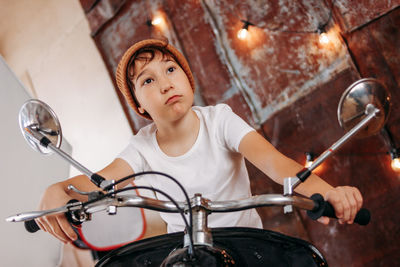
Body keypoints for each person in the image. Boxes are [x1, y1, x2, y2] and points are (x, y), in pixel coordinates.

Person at [36, 38, 363, 244]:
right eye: (148, 80)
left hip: (249, 244)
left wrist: (329, 192)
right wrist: (57, 190)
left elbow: (277, 164)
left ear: (186, 78)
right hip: (188, 253)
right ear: (138, 105)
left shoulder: (219, 120)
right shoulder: (141, 147)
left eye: (170, 69)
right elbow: (100, 183)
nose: (165, 84)